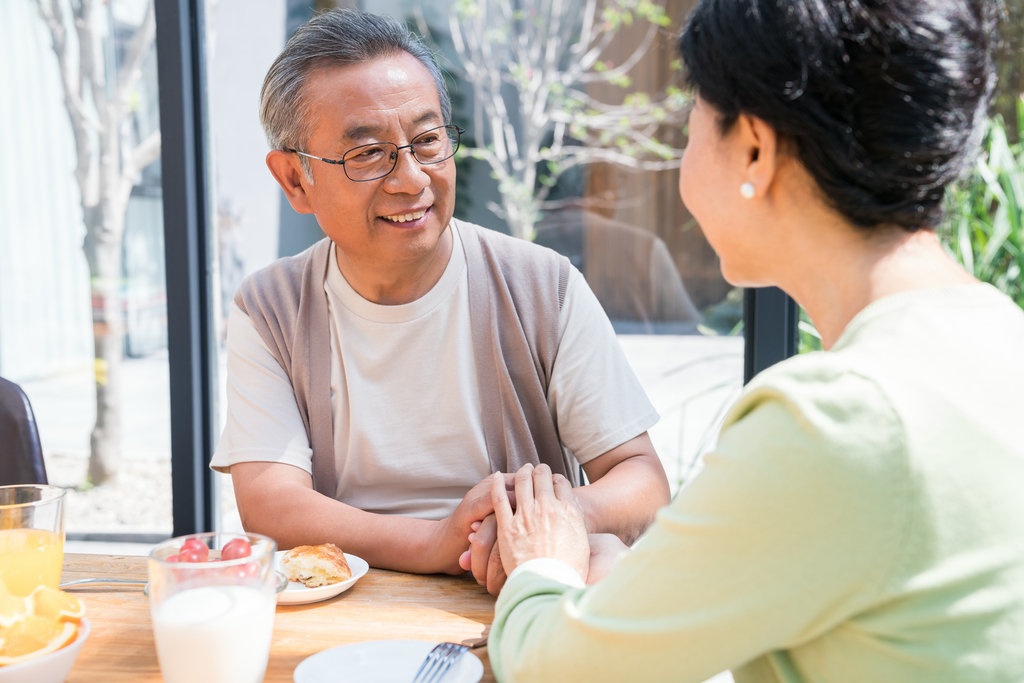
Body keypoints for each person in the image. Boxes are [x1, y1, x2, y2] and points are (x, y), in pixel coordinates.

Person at [485, 1, 1024, 681]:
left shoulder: (840, 418)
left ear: (754, 149)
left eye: (692, 126)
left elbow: (551, 669)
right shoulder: (998, 334)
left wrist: (541, 560)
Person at [209, 8, 671, 581]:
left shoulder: (541, 285)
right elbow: (272, 506)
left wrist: (539, 523)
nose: (411, 178)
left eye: (427, 140)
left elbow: (643, 482)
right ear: (295, 180)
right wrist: (437, 543)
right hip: (346, 604)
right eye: (367, 153)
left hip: (517, 590)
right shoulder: (271, 308)